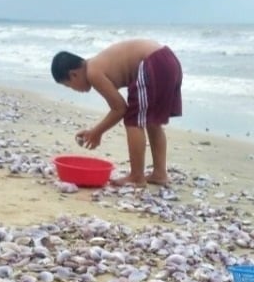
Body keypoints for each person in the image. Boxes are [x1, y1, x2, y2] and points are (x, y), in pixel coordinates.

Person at [50, 39, 183, 186]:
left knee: (133, 119)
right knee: (151, 120)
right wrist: (96, 132)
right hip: (168, 59)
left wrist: (96, 132)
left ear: (74, 74)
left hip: (152, 62)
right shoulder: (97, 64)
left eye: (69, 86)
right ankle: (159, 173)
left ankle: (136, 176)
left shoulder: (92, 72)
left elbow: (119, 108)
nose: (75, 90)